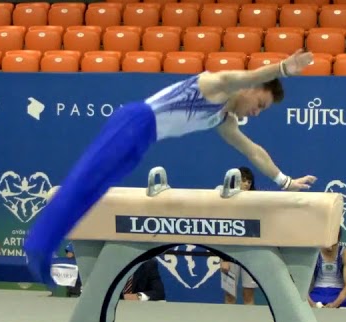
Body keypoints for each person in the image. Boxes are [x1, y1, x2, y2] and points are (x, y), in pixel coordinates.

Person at [24, 50, 318, 285]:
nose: (256, 112)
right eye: (261, 104)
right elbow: (249, 75)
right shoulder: (215, 85)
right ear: (251, 88)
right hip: (135, 121)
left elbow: (253, 151)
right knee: (84, 181)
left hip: (143, 140)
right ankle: (38, 245)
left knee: (94, 192)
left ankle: (44, 246)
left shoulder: (222, 119)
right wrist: (283, 68)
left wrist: (286, 181)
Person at [219, 166, 260, 305]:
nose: (247, 184)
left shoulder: (256, 203)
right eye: (243, 180)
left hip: (251, 255)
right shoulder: (226, 203)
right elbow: (222, 231)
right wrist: (223, 259)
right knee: (230, 296)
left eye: (249, 181)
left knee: (248, 296)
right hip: (230, 255)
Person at [308, 228, 346, 308]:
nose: (330, 248)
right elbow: (301, 284)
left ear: (338, 240)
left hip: (338, 292)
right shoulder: (313, 252)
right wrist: (312, 304)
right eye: (327, 244)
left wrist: (335, 304)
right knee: (301, 301)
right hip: (318, 291)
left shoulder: (345, 252)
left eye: (333, 244)